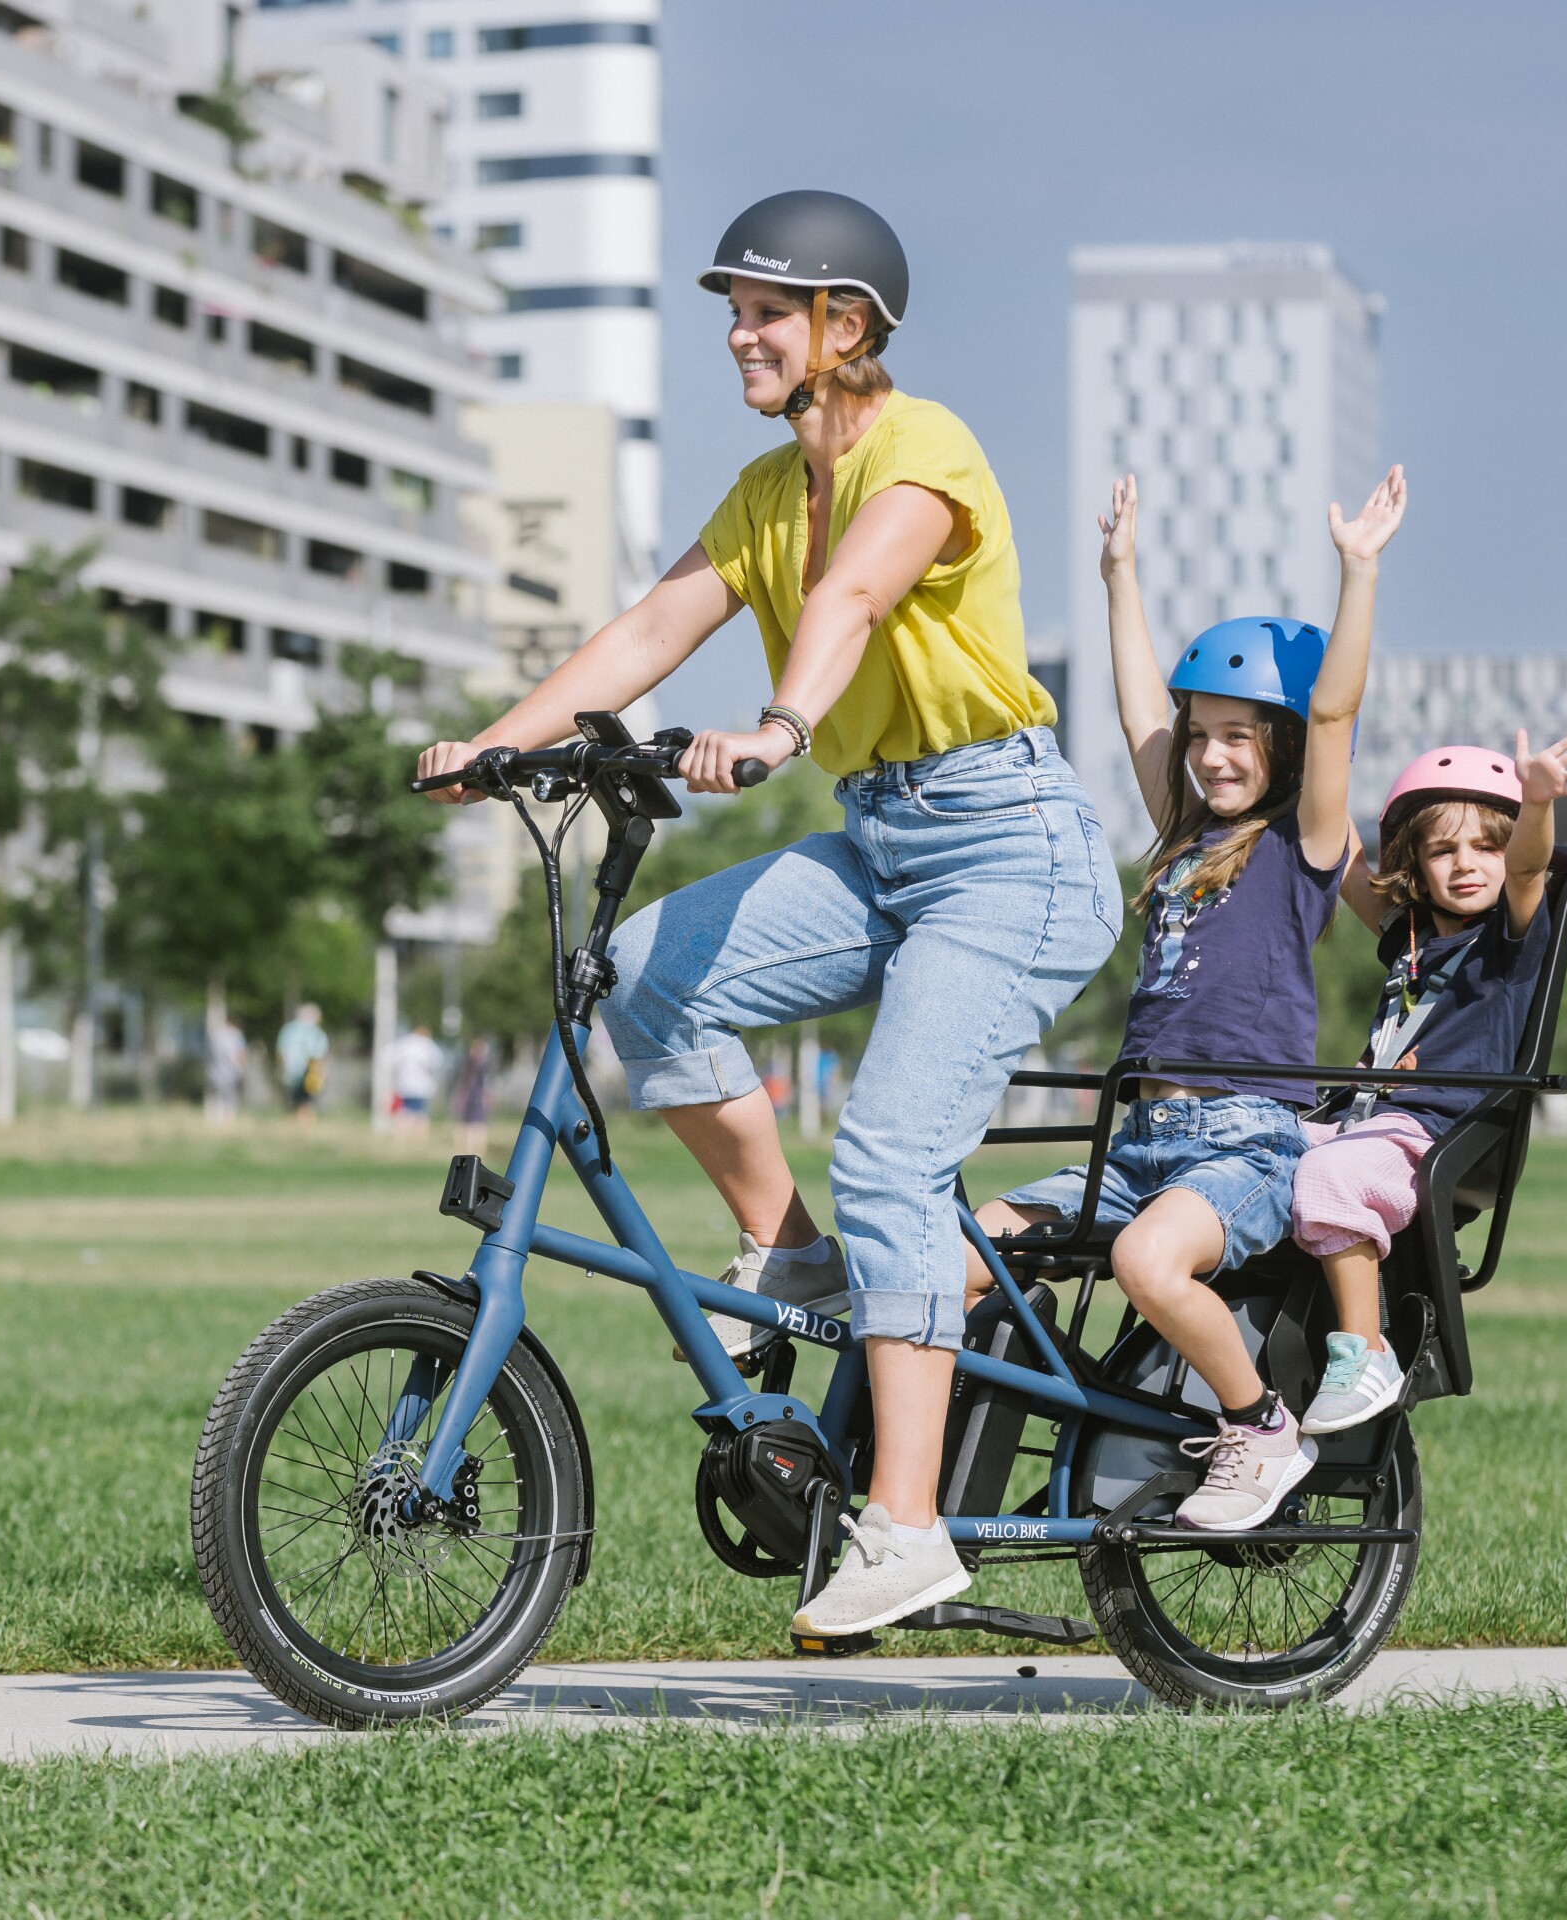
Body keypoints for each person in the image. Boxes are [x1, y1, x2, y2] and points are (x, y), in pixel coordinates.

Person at [417, 191, 1123, 1637]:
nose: (735, 334)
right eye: (731, 310)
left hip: (1009, 848)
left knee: (892, 1158)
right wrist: (492, 749)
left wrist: (780, 722)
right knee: (645, 972)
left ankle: (910, 1528)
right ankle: (787, 1250)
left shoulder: (924, 451)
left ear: (842, 328)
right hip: (882, 837)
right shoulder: (759, 495)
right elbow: (641, 634)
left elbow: (857, 598)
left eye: (762, 311)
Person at [971, 462, 1407, 1533]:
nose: (1211, 755)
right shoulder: (1181, 838)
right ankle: (1009, 1454)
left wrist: (1358, 575)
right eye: (1201, 734)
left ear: (1284, 749)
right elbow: (1132, 717)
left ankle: (1260, 1430)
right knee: (971, 1247)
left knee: (1144, 1260)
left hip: (1244, 1139)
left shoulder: (1301, 845)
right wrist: (1119, 576)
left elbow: (1339, 710)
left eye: (1239, 738)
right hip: (1143, 1139)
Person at [1290, 733, 1567, 1433]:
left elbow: (1528, 869)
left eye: (1484, 846)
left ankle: (1364, 1354)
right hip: (1364, 1119)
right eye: (1441, 850)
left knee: (1331, 1177)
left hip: (1433, 1129)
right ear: (1415, 864)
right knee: (1249, 1139)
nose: (1465, 866)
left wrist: (1538, 801)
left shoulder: (1510, 942)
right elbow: (1339, 854)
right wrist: (1304, 770)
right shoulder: (1411, 936)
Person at [389, 1023, 446, 1137]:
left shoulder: (404, 1043)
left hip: (404, 1085)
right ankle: (419, 1138)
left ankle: (402, 1137)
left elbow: (389, 1058)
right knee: (420, 1115)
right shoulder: (428, 1045)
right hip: (421, 1087)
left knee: (404, 1113)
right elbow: (438, 1062)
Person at [276, 1003, 327, 1120]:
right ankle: (303, 1120)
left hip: (291, 1070)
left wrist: (282, 1066)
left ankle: (301, 1119)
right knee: (306, 1098)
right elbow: (320, 1054)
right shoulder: (316, 1033)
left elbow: (280, 1050)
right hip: (309, 1069)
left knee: (298, 1097)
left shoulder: (288, 1029)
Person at [451, 1035, 494, 1155]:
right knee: (474, 1125)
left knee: (474, 1125)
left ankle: (472, 1150)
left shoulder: (470, 1063)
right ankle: (474, 1151)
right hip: (473, 1096)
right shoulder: (479, 1064)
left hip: (473, 1096)